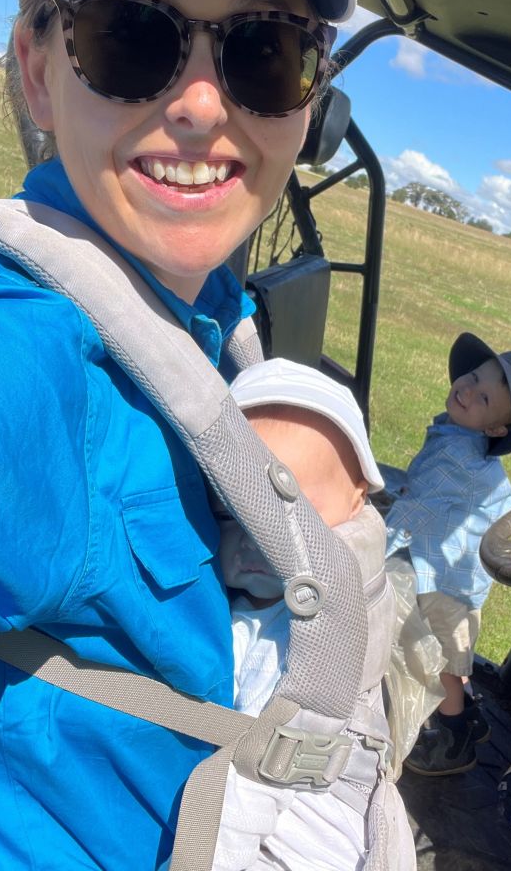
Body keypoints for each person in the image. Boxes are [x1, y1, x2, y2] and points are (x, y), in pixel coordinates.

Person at [0, 0, 356, 868]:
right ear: (39, 69)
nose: (204, 106)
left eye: (266, 50)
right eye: (130, 32)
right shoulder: (4, 357)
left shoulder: (206, 304)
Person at [212, 357, 385, 871]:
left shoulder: (307, 637)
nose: (257, 542)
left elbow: (252, 789)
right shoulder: (260, 600)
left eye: (297, 519)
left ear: (359, 499)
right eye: (229, 512)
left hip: (294, 835)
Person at [385, 331, 511, 776]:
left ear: (496, 428)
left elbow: (414, 513)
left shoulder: (457, 456)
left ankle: (452, 738)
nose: (467, 389)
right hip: (460, 569)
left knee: (441, 661)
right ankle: (470, 718)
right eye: (474, 377)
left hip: (445, 581)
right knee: (454, 658)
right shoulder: (457, 435)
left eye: (483, 397)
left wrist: (371, 542)